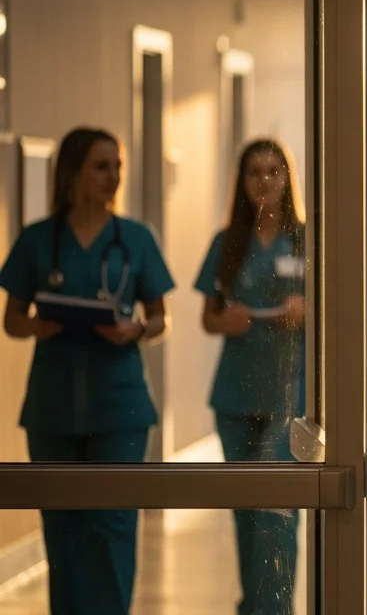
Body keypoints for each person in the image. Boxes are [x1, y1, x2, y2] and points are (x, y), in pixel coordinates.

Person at [0, 127, 175, 615]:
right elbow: (12, 320)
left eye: (118, 167)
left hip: (120, 408)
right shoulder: (39, 239)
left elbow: (161, 318)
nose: (113, 176)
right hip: (52, 409)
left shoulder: (136, 238)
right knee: (63, 536)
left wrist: (135, 330)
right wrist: (39, 325)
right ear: (73, 172)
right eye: (101, 167)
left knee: (114, 529)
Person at [194, 138, 306, 615]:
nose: (265, 180)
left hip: (290, 392)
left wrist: (307, 310)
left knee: (277, 510)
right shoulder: (227, 242)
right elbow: (208, 317)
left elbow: (339, 311)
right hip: (236, 393)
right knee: (244, 510)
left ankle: (273, 609)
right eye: (255, 172)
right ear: (241, 181)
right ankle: (254, 606)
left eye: (274, 171)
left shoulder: (307, 239)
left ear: (287, 179)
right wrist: (226, 320)